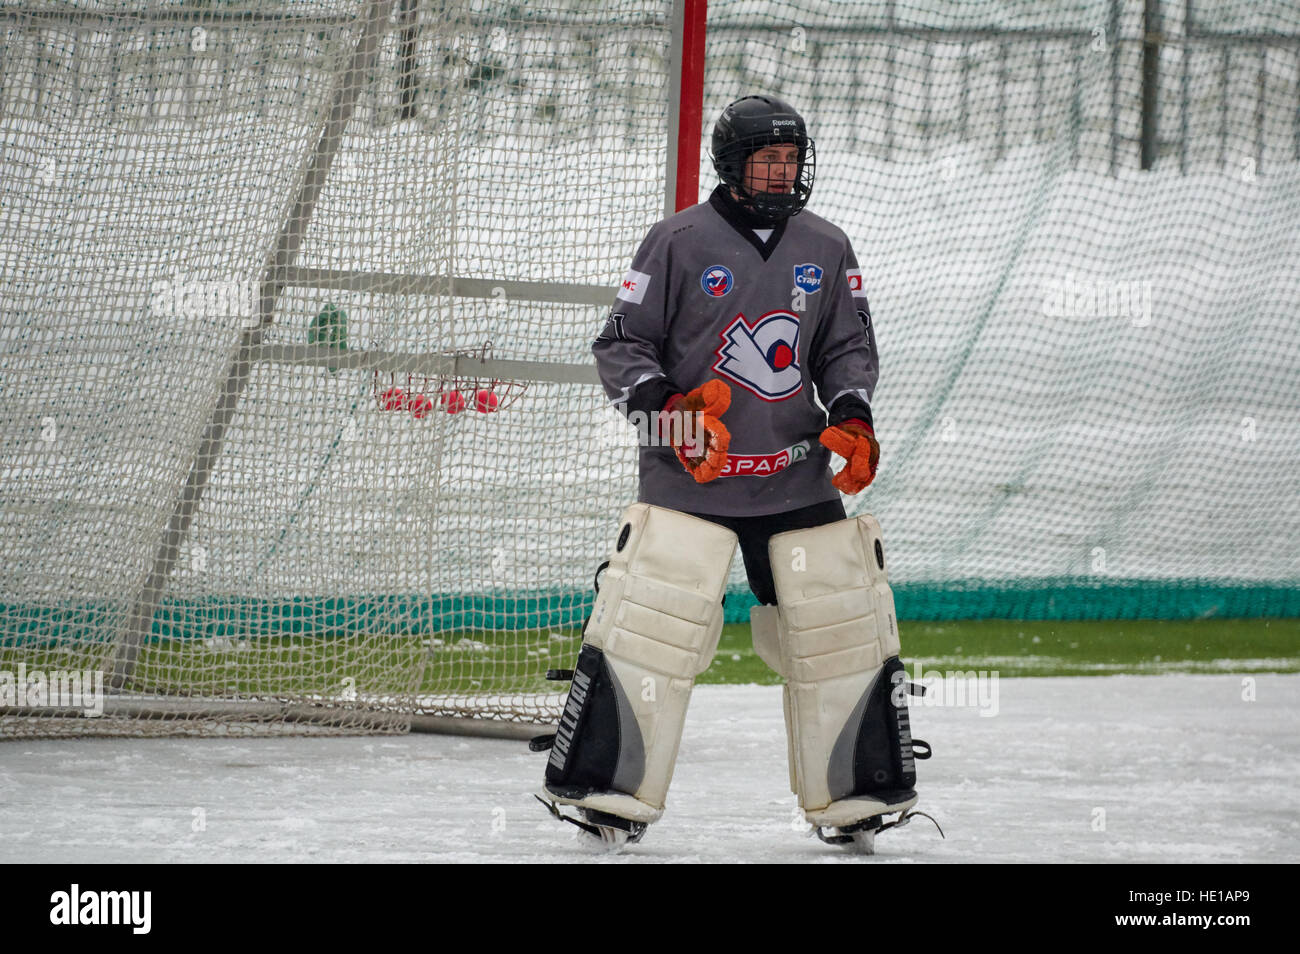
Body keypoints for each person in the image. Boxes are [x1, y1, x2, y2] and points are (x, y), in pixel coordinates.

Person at [537, 95, 926, 853]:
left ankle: (857, 793)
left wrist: (853, 416)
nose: (782, 174)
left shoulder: (827, 244)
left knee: (838, 628)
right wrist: (675, 417)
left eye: (791, 160)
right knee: (648, 628)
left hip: (797, 481)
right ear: (732, 165)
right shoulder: (675, 240)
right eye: (767, 161)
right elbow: (621, 349)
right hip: (691, 484)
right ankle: (607, 793)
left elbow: (847, 350)